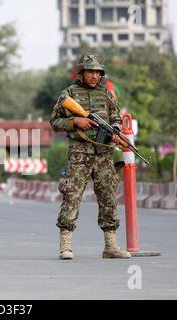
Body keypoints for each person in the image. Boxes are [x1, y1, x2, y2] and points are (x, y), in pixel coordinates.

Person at [50, 54, 131, 260]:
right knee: (72, 195)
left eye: (98, 72)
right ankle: (65, 244)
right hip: (79, 153)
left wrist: (115, 130)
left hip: (103, 153)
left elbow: (116, 118)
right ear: (81, 72)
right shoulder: (68, 94)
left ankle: (110, 245)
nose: (95, 76)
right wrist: (75, 121)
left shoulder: (106, 95)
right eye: (91, 71)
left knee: (108, 196)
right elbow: (55, 122)